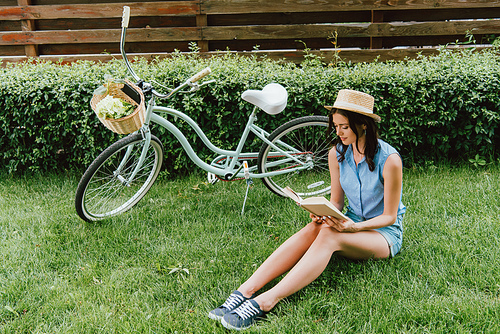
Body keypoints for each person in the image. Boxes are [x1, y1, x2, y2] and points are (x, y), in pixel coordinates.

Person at [208, 89, 406, 330]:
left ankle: (267, 301)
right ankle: (244, 291)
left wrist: (353, 227)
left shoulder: (390, 159)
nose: (338, 132)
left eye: (344, 126)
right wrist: (323, 212)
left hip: (382, 235)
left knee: (330, 235)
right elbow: (337, 203)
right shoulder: (338, 153)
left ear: (363, 124)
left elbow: (389, 216)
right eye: (335, 126)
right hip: (351, 221)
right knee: (317, 225)